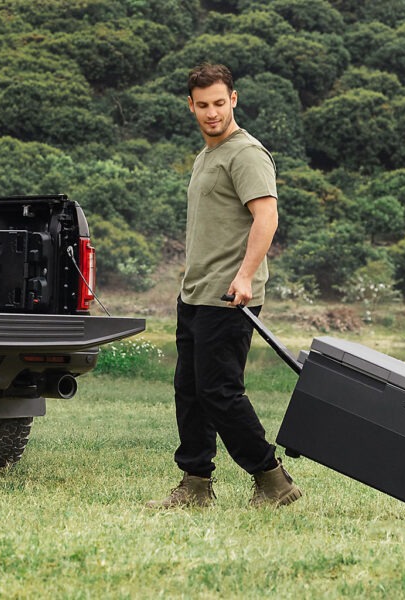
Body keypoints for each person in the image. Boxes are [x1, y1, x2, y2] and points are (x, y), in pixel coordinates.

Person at [146, 63, 302, 509]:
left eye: (219, 103)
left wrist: (246, 275)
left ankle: (273, 481)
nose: (212, 113)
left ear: (233, 99)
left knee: (219, 391)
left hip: (230, 296)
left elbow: (266, 217)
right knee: (190, 392)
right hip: (195, 293)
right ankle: (195, 486)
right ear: (190, 106)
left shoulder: (246, 153)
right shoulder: (206, 156)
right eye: (203, 105)